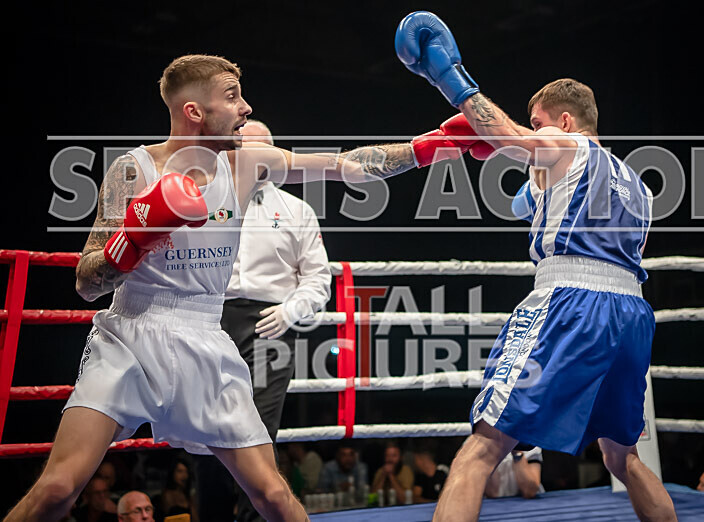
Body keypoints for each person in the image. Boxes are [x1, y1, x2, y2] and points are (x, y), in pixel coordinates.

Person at [4, 53, 489, 522]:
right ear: (195, 111)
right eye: (233, 97)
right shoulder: (135, 170)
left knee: (274, 494)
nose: (246, 108)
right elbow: (87, 283)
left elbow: (346, 165)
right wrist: (132, 241)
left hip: (205, 336)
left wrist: (429, 149)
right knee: (58, 489)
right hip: (130, 334)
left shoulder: (246, 164)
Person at [396, 12, 678, 521]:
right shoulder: (635, 183)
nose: (536, 133)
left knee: (480, 448)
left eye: (540, 123)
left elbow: (508, 136)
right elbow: (533, 204)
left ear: (565, 121)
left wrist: (450, 78)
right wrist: (532, 182)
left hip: (570, 305)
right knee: (623, 455)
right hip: (630, 315)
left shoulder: (566, 144)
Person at [195, 119, 331, 521]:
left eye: (260, 151)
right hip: (209, 321)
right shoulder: (202, 201)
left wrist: (290, 310)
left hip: (270, 326)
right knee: (206, 433)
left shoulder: (295, 210)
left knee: (258, 435)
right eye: (242, 148)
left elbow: (319, 278)